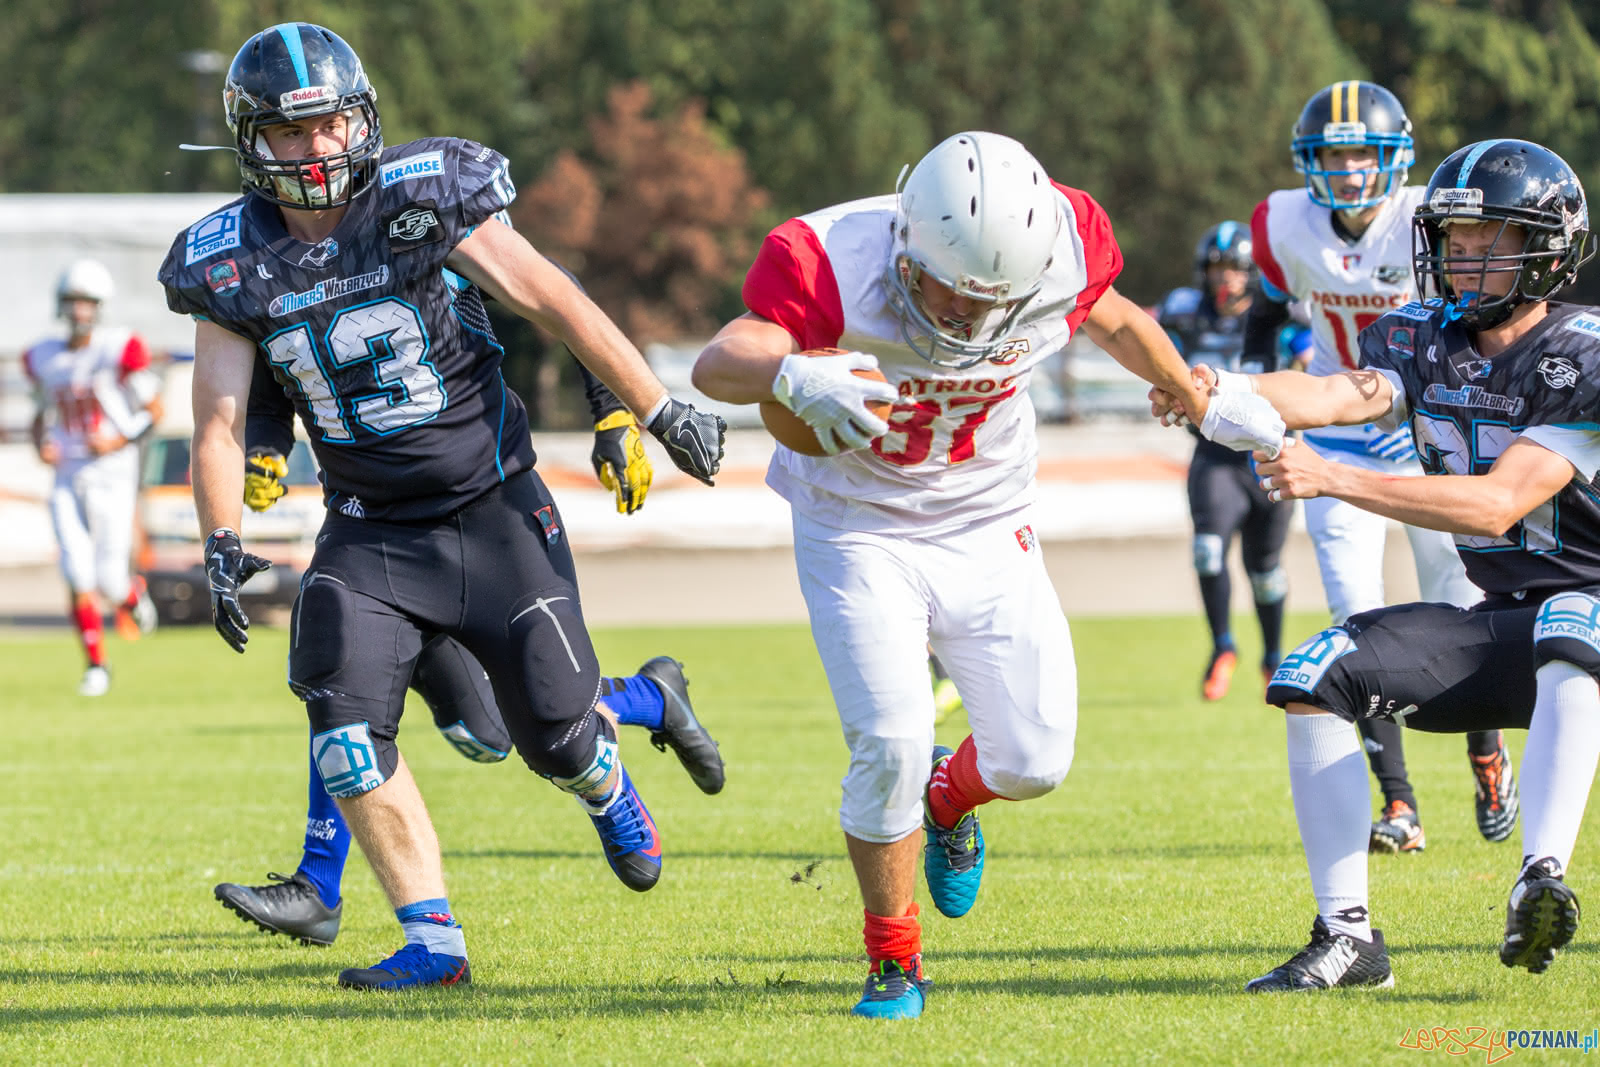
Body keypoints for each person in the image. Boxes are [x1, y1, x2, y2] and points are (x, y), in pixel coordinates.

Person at [157, 22, 726, 991]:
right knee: (342, 727)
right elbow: (217, 418)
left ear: (362, 118)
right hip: (371, 529)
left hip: (494, 508)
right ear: (252, 141)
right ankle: (433, 940)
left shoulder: (423, 196)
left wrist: (655, 405)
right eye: (291, 133)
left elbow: (553, 298)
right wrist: (222, 538)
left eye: (330, 123)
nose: (316, 148)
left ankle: (611, 769)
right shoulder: (228, 260)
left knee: (547, 737)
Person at [692, 130, 1212, 1018]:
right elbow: (715, 364)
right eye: (959, 294)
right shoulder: (826, 256)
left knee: (1036, 759)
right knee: (888, 739)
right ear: (907, 244)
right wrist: (790, 372)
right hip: (856, 523)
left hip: (987, 514)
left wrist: (1186, 390)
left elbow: (1115, 315)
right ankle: (894, 958)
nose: (974, 321)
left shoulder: (1064, 241)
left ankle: (950, 796)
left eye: (996, 301)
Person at [1159, 138, 1600, 987]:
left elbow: (1496, 502)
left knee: (1573, 616)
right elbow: (1332, 393)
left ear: (1549, 247)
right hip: (1506, 625)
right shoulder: (1416, 335)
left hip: (1590, 615)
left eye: (1491, 243)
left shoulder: (1582, 353)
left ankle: (1539, 876)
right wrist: (1211, 390)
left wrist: (1332, 477)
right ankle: (1348, 936)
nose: (1465, 261)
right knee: (1314, 671)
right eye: (1456, 241)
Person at [214, 354, 725, 946]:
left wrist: (614, 410)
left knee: (490, 734)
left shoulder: (434, 256)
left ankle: (645, 697)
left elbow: (552, 295)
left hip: (481, 520)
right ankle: (320, 885)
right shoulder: (279, 270)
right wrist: (268, 441)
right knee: (338, 679)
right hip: (373, 537)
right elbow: (284, 351)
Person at [1242, 80, 1518, 851]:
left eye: (1364, 151)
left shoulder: (1432, 218)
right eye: (1335, 153)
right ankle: (1398, 803)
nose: (1352, 168)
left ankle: (1486, 752)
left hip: (1430, 429)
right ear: (1309, 161)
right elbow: (1265, 313)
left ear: (1395, 156)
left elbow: (1476, 316)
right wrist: (1253, 387)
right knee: (1353, 618)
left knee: (1464, 608)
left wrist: (1454, 408)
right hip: (1338, 433)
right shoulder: (1282, 223)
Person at [1157, 222, 1297, 699]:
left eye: (1235, 270)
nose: (1226, 280)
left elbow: (1314, 357)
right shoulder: (1184, 312)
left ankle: (1273, 656)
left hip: (1265, 456)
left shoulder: (1275, 316)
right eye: (1217, 270)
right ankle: (1222, 647)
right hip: (1213, 457)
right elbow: (1145, 341)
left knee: (1265, 569)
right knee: (1207, 549)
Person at [24, 259, 162, 697]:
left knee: (108, 578)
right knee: (76, 572)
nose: (78, 311)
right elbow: (39, 415)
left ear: (98, 307)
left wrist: (119, 439)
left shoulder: (117, 348)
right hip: (68, 471)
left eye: (86, 302)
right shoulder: (44, 356)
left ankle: (131, 595)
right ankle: (96, 665)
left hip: (111, 472)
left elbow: (153, 410)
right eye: (72, 302)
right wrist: (40, 444)